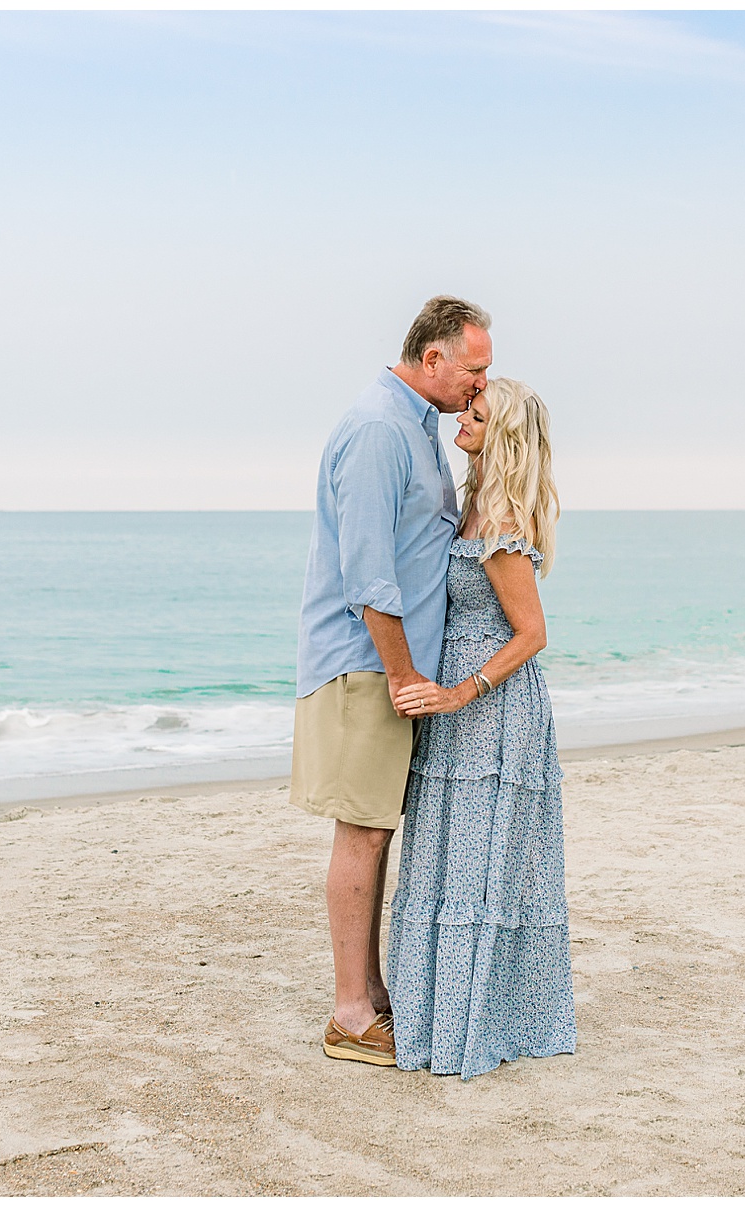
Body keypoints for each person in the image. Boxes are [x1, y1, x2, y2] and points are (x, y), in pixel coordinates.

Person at [292, 295, 491, 1068]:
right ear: (432, 358)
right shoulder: (380, 429)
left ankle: (370, 993)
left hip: (388, 663)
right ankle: (349, 1012)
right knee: (364, 828)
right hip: (365, 662)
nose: (480, 385)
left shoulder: (415, 427)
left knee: (375, 826)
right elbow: (368, 576)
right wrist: (404, 673)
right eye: (474, 369)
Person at [387, 377, 577, 1079]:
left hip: (492, 709)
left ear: (500, 434)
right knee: (448, 858)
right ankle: (436, 1014)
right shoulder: (470, 503)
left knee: (484, 866)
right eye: (467, 405)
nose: (462, 417)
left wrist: (464, 690)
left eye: (477, 412)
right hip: (455, 707)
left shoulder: (497, 519)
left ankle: (475, 1023)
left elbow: (533, 633)